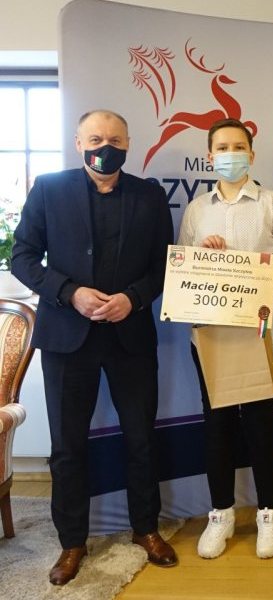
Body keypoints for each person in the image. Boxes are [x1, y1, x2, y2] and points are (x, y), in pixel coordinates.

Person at [11, 110, 177, 585]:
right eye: (96, 138)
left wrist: (133, 299)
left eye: (115, 140)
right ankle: (72, 542)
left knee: (141, 438)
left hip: (130, 335)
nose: (106, 147)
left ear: (129, 143)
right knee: (67, 446)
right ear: (78, 142)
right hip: (68, 337)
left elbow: (164, 265)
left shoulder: (149, 195)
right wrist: (70, 293)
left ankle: (146, 529)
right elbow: (22, 256)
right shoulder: (49, 188)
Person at [177, 118, 273, 559]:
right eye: (222, 147)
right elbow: (183, 271)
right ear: (209, 156)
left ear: (252, 155)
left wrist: (254, 279)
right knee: (216, 427)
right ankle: (221, 513)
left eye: (238, 147)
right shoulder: (197, 210)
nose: (230, 154)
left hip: (261, 332)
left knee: (261, 427)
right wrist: (205, 259)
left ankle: (270, 513)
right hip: (211, 336)